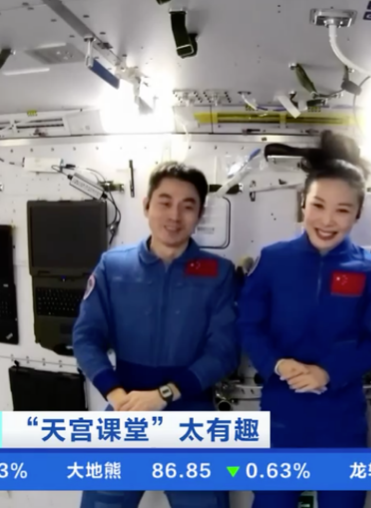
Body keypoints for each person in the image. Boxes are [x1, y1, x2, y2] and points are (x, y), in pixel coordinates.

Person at [237, 131, 371, 508]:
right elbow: (247, 323)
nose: (327, 220)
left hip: (341, 418)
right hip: (281, 414)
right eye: (318, 205)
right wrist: (276, 363)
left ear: (358, 213)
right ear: (302, 204)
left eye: (342, 210)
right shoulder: (273, 260)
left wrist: (328, 372)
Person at [73, 161, 238, 508]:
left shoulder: (219, 273)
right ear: (147, 205)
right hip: (126, 410)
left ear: (200, 214)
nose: (174, 216)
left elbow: (224, 351)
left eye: (187, 206)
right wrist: (116, 395)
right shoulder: (113, 266)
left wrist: (164, 394)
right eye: (165, 202)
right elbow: (86, 338)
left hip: (191, 417)